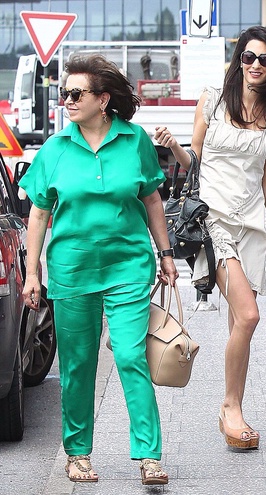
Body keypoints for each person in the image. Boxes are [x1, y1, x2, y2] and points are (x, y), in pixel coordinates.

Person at [19, 53, 178, 484]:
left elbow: (151, 200)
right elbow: (37, 214)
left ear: (103, 99)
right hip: (72, 271)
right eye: (63, 93)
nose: (67, 100)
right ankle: (78, 453)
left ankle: (149, 456)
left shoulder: (135, 140)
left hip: (129, 265)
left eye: (76, 93)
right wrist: (33, 273)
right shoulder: (55, 148)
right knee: (78, 364)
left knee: (130, 357)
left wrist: (165, 255)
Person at [155, 26, 266, 450]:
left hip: (250, 225)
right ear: (239, 61)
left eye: (264, 59)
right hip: (212, 222)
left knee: (240, 322)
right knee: (250, 316)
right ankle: (229, 407)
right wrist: (172, 147)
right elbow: (194, 159)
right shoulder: (212, 100)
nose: (254, 65)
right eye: (248, 57)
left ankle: (236, 411)